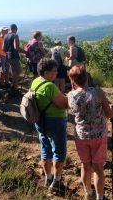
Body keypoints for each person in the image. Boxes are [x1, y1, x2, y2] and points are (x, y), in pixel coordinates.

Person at [68, 65, 113, 200]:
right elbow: (108, 113)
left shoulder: (70, 96)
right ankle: (100, 197)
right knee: (98, 168)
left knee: (85, 165)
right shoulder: (98, 92)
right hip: (99, 135)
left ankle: (88, 193)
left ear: (72, 81)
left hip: (81, 136)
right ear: (87, 77)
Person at [31, 58, 68, 193]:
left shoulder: (35, 81)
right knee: (59, 151)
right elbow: (64, 104)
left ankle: (48, 178)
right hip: (55, 121)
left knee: (45, 148)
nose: (56, 73)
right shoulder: (50, 86)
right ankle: (57, 182)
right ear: (46, 72)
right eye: (54, 71)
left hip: (41, 121)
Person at [3, 23, 22, 94]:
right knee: (17, 72)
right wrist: (25, 52)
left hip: (7, 56)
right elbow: (16, 47)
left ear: (10, 29)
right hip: (14, 56)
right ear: (16, 29)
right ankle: (15, 89)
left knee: (15, 72)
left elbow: (3, 48)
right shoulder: (15, 35)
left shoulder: (5, 36)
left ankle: (13, 87)